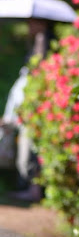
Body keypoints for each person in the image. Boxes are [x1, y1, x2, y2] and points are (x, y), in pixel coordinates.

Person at [1, 18, 52, 202]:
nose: (29, 26)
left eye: (33, 23)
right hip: (25, 109)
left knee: (30, 151)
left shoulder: (44, 48)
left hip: (32, 110)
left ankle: (33, 191)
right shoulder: (34, 46)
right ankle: (29, 188)